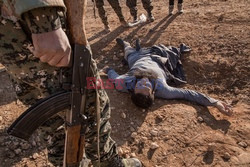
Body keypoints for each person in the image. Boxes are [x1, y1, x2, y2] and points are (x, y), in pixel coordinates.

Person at [0, 1, 141, 167]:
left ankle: (64, 162)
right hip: (34, 24)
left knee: (49, 118)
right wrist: (43, 17)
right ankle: (108, 163)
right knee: (92, 108)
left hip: (10, 36)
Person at [104, 38, 233, 116]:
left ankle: (126, 44)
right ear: (153, 91)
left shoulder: (124, 83)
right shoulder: (164, 89)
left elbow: (112, 77)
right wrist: (215, 103)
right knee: (173, 53)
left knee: (128, 52)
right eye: (147, 86)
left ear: (132, 89)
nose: (144, 82)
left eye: (139, 85)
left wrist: (108, 70)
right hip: (158, 58)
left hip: (136, 59)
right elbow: (188, 94)